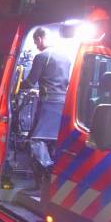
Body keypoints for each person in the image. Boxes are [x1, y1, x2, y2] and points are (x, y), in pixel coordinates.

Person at [22, 28, 71, 190]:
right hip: (63, 103)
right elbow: (60, 82)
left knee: (34, 141)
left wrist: (15, 87)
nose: (36, 46)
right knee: (53, 143)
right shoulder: (65, 57)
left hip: (49, 104)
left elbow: (30, 81)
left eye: (36, 42)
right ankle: (50, 183)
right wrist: (39, 90)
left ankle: (48, 170)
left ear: (41, 38)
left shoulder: (42, 57)